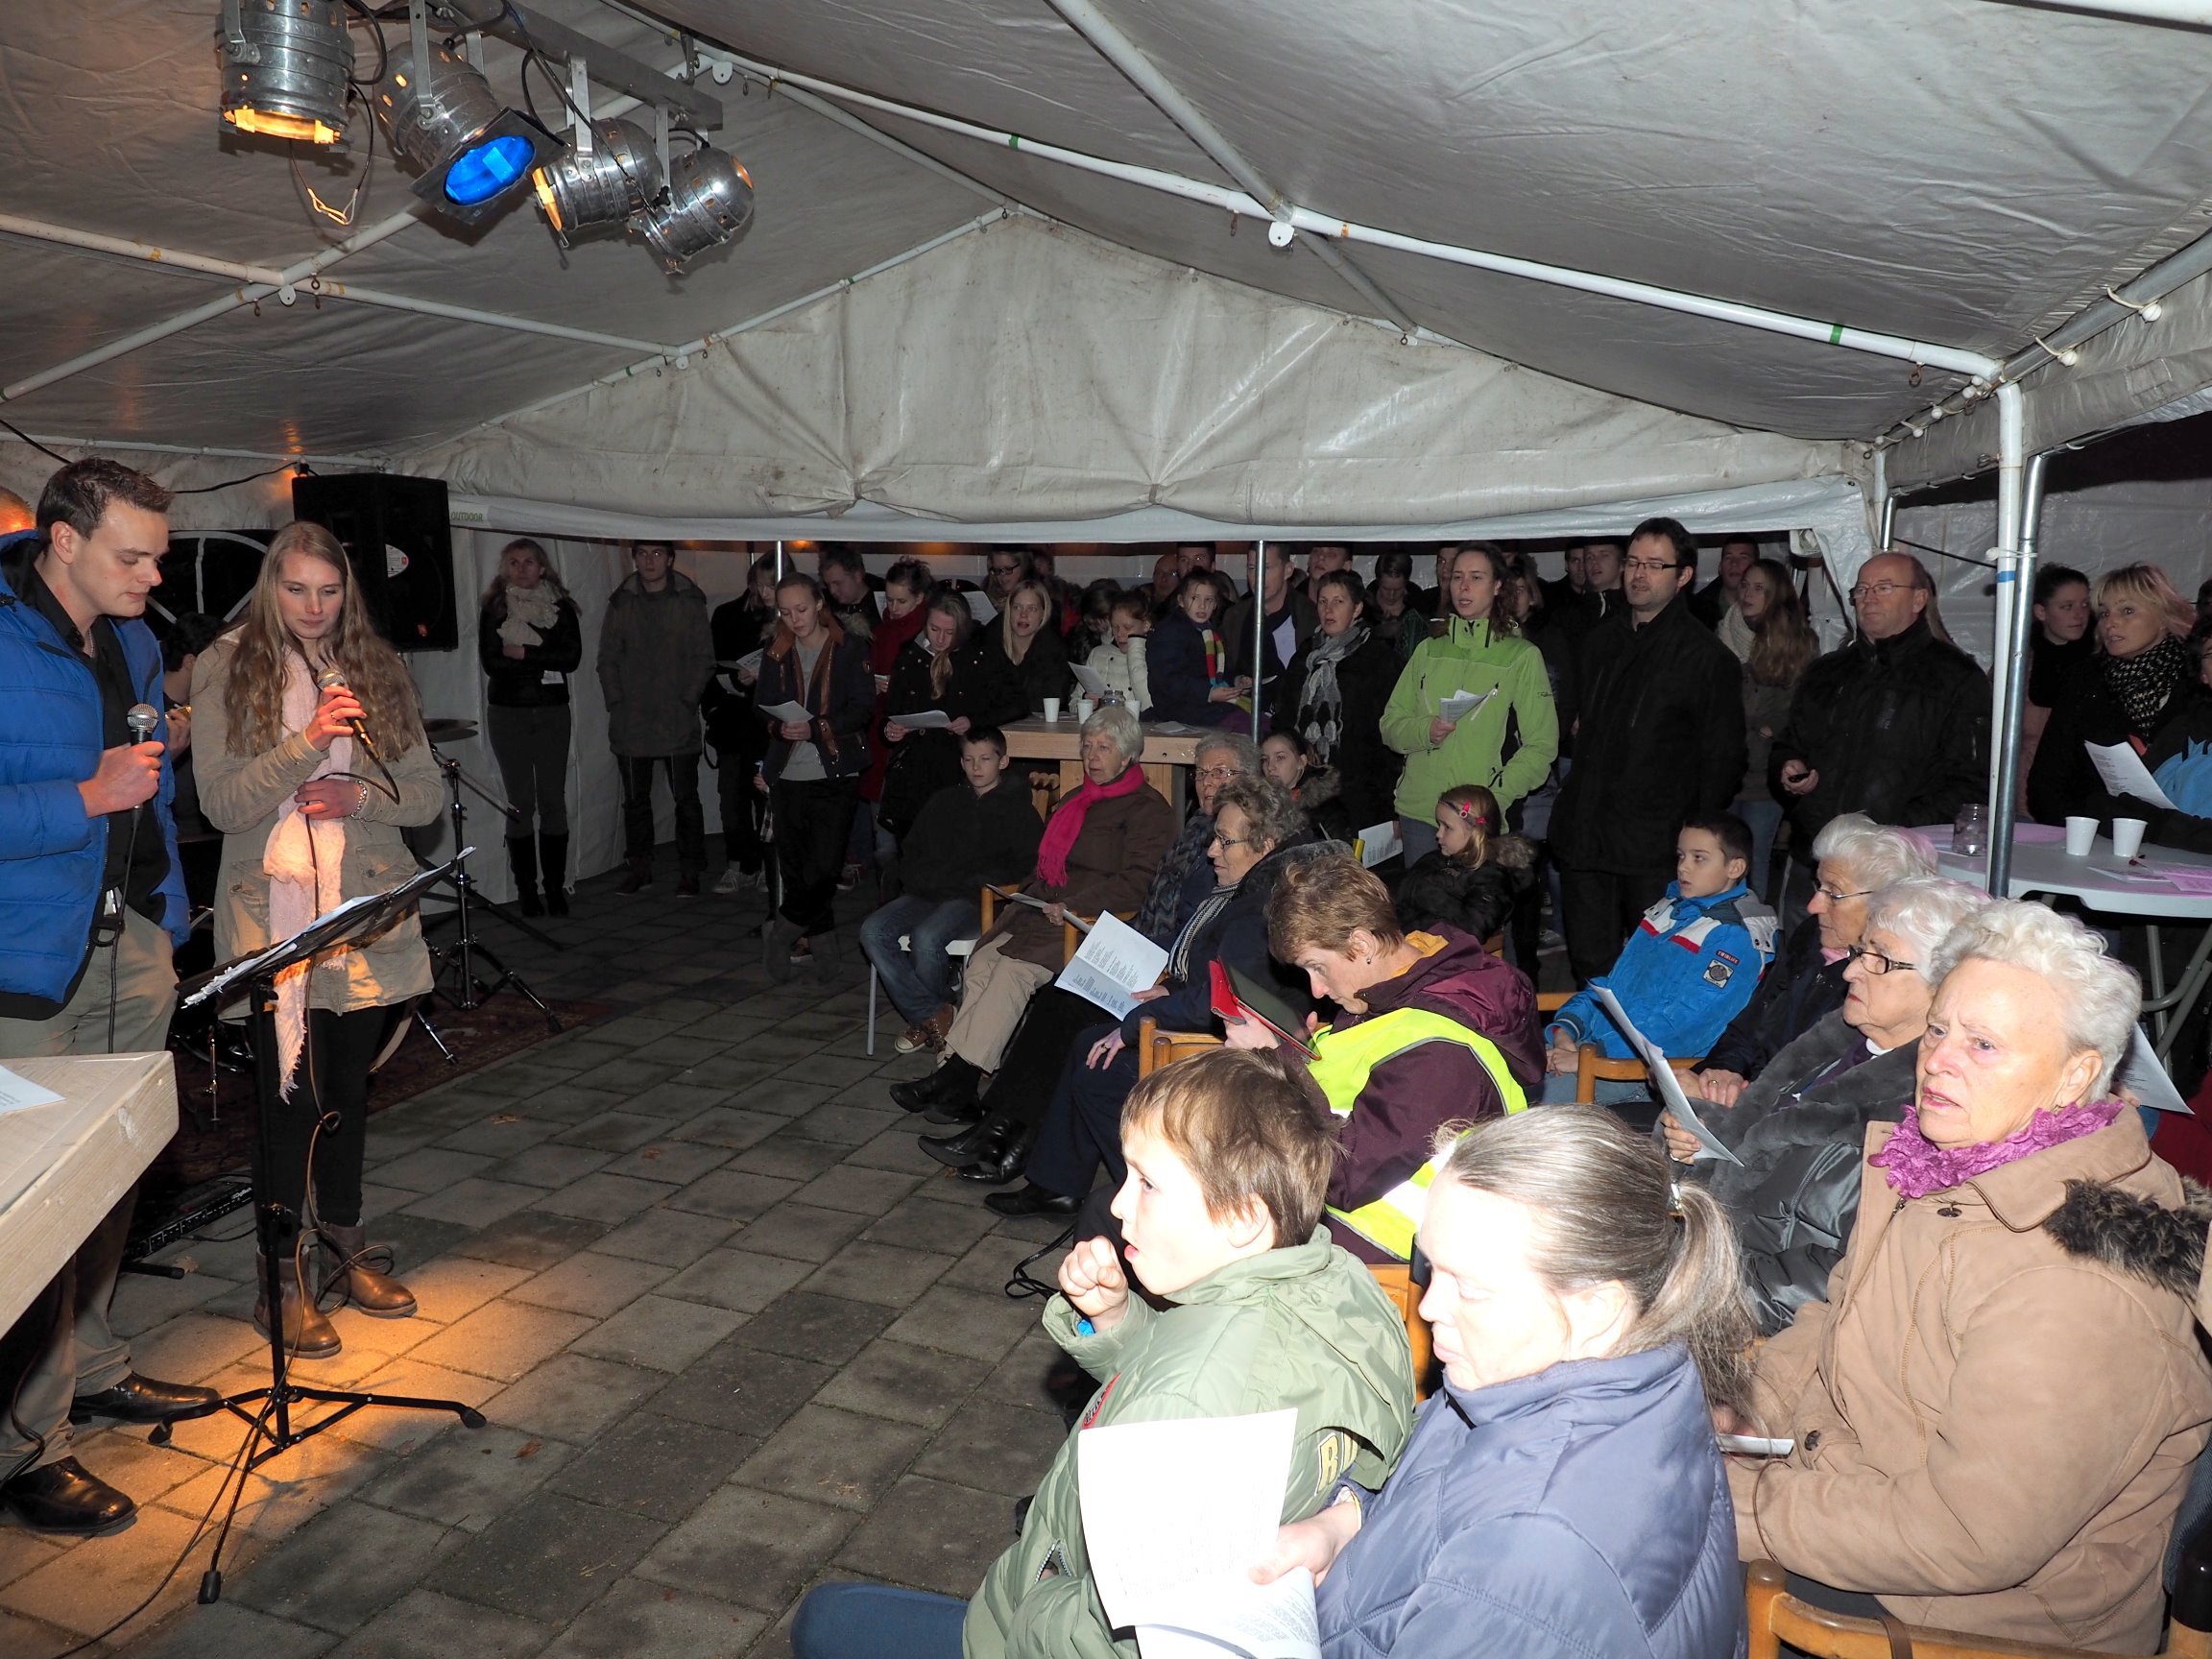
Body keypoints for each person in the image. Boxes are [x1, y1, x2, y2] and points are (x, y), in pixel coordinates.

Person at [794, 1047, 1416, 1659]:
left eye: (1147, 1184)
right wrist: (1115, 1320)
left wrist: (1038, 1590)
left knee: (823, 1620)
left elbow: (1106, 1641)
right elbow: (1204, 1372)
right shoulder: (1342, 1283)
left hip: (1034, 1636)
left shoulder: (1184, 1405)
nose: (1118, 1205)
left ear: (1242, 1219)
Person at [1732, 901, 2212, 1651]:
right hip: (1853, 1504)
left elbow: (1966, 1534)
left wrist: (1737, 1504)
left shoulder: (2082, 1280)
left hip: (1963, 1620)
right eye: (1938, 1030)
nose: (1938, 1061)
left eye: (1984, 1044)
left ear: (2076, 1076)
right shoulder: (1942, 1168)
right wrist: (1746, 1417)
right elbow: (1833, 1320)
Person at [1258, 1106, 1753, 1659]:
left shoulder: (1534, 1553)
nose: (1429, 1306)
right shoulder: (1575, 1377)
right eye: (1429, 1266)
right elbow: (1431, 1483)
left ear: (1596, 1309)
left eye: (1469, 1288)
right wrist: (1345, 1520)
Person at [0, 460, 217, 1534]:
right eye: (133, 557)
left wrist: (163, 917)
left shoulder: (130, 640)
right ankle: (26, 1448)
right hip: (29, 960)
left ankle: (91, 1369)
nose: (152, 576)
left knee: (112, 1177)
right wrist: (83, 795)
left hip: (128, 941)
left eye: (158, 557)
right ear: (64, 540)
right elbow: (97, 788)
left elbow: (154, 787)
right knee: (36, 1207)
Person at [194, 519, 443, 1358]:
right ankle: (278, 1276)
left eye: (329, 591)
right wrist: (306, 746)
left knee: (345, 1094)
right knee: (289, 1101)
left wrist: (358, 796)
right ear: (272, 587)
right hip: (273, 912)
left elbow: (423, 794)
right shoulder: (227, 665)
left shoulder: (376, 665)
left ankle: (343, 1241)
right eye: (297, 589)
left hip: (363, 909)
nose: (313, 607)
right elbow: (222, 803)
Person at [920, 733, 1263, 1178]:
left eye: (1221, 772)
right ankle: (1001, 1128)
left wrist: (1157, 967)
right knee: (1059, 996)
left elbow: (1201, 933)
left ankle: (1012, 1139)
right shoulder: (1199, 830)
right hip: (1152, 952)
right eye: (1200, 773)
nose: (1207, 782)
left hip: (1171, 973)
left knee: (1069, 1013)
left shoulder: (1236, 848)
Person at [1665, 876, 1990, 1334]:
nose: (1851, 971)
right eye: (1860, 952)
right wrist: (1697, 1133)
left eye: (1879, 960)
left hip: (1752, 1321)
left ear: (1945, 989)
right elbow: (1758, 1152)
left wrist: (1685, 1287)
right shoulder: (1832, 1045)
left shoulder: (1927, 1114)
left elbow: (1839, 1277)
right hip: (1704, 1257)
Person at [980, 778, 1315, 1210]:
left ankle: (1160, 1202)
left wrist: (1134, 1025)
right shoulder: (1249, 891)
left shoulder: (1256, 908)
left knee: (1099, 1065)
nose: (1212, 851)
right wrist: (1168, 988)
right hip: (1206, 1017)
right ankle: (1056, 1180)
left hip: (1225, 1048)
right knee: (1080, 1029)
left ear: (1264, 845)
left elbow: (1222, 999)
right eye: (1215, 838)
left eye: (1225, 841)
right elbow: (1214, 974)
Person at [1225, 854, 1544, 1263]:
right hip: (1333, 1223)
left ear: (1362, 945)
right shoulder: (1395, 994)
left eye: (1317, 968)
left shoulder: (1441, 1054)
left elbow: (1344, 1174)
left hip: (1384, 1254)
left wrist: (1274, 1061)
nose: (1316, 990)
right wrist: (1298, 1049)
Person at [888, 705, 1176, 1118]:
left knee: (1013, 971)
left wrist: (1073, 905)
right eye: (1087, 746)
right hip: (1043, 910)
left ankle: (954, 1078)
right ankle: (957, 1082)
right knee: (983, 961)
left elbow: (1139, 881)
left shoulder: (1148, 809)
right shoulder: (1077, 799)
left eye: (1104, 748)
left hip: (1089, 923)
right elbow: (1044, 865)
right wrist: (1025, 895)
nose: (1092, 756)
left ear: (1128, 755)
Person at [1551, 517, 1745, 984]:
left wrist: (1692, 844)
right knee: (1590, 964)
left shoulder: (1705, 658)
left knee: (1653, 971)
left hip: (1654, 844)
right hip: (1588, 834)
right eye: (1634, 562)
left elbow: (1722, 759)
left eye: (1655, 565)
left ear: (1683, 576)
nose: (1639, 574)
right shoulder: (1600, 641)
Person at [1693, 813, 1937, 1108]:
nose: (1812, 906)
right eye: (1818, 887)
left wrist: (1739, 1100)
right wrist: (1723, 1071)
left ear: (1887, 903)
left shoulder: (1882, 985)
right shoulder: (1812, 936)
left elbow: (1828, 1096)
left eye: (1834, 894)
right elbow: (1748, 1025)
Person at [1769, 550, 1988, 861]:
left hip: (1898, 860)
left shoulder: (1956, 678)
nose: (1869, 598)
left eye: (1884, 588)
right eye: (1861, 590)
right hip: (1818, 852)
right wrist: (1789, 769)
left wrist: (1893, 831)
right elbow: (1791, 742)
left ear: (1918, 599)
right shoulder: (1827, 671)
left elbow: (1969, 782)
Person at [1542, 813, 1777, 1102]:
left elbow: (1684, 1028)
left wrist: (1594, 1056)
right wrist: (1567, 1030)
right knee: (1506, 1074)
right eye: (1681, 855)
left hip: (1638, 1070)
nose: (1683, 867)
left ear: (1735, 867)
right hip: (1591, 1049)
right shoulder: (1669, 909)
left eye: (1699, 858)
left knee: (1530, 1109)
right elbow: (1612, 987)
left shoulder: (1735, 936)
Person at [861, 728, 1042, 1055]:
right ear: (961, 762)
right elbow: (912, 849)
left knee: (927, 938)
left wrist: (976, 881)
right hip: (927, 891)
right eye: (969, 760)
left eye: (985, 759)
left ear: (1003, 762)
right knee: (873, 931)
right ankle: (934, 1013)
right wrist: (919, 878)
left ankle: (927, 1019)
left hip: (975, 897)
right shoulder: (944, 801)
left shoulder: (1018, 811)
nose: (976, 767)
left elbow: (1026, 866)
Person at [1380, 543, 1557, 863]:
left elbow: (1541, 746)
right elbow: (1390, 724)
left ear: (1497, 585)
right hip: (1420, 813)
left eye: (1476, 577)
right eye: (1457, 576)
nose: (1463, 586)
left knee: (1473, 896)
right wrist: (1425, 731)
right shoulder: (1428, 650)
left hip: (1476, 819)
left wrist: (1492, 798)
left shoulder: (1521, 656)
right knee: (1421, 896)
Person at [756, 573, 874, 977]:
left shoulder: (848, 647)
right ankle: (824, 948)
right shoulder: (776, 650)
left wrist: (817, 727)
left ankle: (780, 933)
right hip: (788, 772)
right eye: (785, 612)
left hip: (835, 770)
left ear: (820, 603)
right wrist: (779, 726)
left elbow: (862, 708)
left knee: (825, 868)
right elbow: (761, 706)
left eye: (801, 609)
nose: (794, 619)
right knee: (797, 870)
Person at [2028, 562, 2197, 826]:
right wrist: (2085, 828)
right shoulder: (2086, 679)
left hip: (2182, 835)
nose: (2110, 623)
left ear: (2164, 616)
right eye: (2105, 613)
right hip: (2094, 831)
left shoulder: (2196, 680)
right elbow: (2048, 779)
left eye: (2127, 611)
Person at [598, 540, 712, 897]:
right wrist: (617, 702)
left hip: (675, 716)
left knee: (685, 799)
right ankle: (640, 867)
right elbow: (608, 658)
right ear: (634, 558)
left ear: (670, 559)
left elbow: (703, 657)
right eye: (642, 554)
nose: (649, 561)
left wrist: (687, 700)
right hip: (633, 719)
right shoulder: (622, 602)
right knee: (635, 800)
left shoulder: (688, 601)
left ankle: (690, 868)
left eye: (657, 553)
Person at [477, 537, 581, 917]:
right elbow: (492, 663)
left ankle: (554, 888)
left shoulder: (561, 607)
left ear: (542, 568)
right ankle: (526, 890)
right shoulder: (496, 608)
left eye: (529, 562)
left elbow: (571, 658)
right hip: (509, 713)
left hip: (552, 712)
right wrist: (541, 660)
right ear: (505, 568)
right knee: (520, 802)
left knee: (553, 800)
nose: (522, 569)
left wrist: (525, 653)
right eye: (514, 562)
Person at [876, 589, 1026, 840]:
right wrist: (889, 730)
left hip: (958, 767)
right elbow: (892, 710)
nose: (940, 639)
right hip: (914, 772)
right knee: (912, 846)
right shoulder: (911, 654)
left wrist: (974, 721)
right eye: (934, 629)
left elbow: (1016, 702)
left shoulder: (980, 654)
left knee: (955, 843)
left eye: (949, 632)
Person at [1272, 568, 1404, 832]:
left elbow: (1387, 730)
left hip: (1361, 791)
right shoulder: (1305, 655)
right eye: (1323, 601)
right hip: (1306, 786)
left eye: (1338, 601)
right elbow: (1284, 719)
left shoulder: (1379, 659)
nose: (1328, 609)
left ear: (1357, 609)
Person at [1732, 557, 1817, 899]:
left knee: (1754, 859)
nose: (1748, 594)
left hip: (1766, 773)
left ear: (1777, 595)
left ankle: (1757, 928)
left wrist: (1770, 728)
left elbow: (1795, 710)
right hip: (1730, 767)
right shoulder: (1730, 632)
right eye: (1745, 586)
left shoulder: (1794, 644)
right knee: (1723, 857)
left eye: (1759, 588)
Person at [704, 553, 780, 894]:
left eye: (771, 586)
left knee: (766, 796)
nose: (764, 593)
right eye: (759, 585)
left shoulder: (787, 618)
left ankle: (767, 864)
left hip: (769, 725)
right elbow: (713, 667)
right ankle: (738, 863)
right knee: (732, 797)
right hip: (734, 719)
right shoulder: (727, 615)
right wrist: (735, 685)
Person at [1392, 784, 1535, 945]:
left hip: (1444, 953)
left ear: (1475, 831)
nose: (1438, 834)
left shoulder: (1491, 878)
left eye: (1447, 827)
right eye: (1439, 825)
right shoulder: (1435, 859)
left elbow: (1472, 929)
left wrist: (1426, 893)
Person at [2021, 563, 2093, 794]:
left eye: (2085, 604)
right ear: (2041, 612)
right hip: (2025, 791)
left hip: (2085, 793)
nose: (2079, 614)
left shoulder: (2101, 662)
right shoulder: (2019, 664)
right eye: (2067, 606)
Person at [1146, 569, 1248, 727]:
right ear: (1181, 601)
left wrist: (1237, 681)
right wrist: (1208, 692)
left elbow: (1219, 670)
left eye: (1209, 600)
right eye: (1195, 598)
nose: (1202, 605)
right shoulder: (1169, 632)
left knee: (1259, 718)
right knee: (1246, 724)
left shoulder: (1211, 633)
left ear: (1215, 605)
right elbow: (1167, 679)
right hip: (1178, 710)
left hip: (1206, 706)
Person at [1225, 545, 1318, 713]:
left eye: (1266, 568)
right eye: (1252, 568)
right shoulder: (1235, 617)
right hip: (1243, 714)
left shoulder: (1309, 617)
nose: (1258, 577)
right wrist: (1236, 680)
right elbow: (1221, 666)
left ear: (1288, 570)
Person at [981, 577, 1072, 715]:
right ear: (1009, 611)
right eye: (1017, 607)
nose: (1023, 615)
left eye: (1032, 609)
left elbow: (1045, 702)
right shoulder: (992, 644)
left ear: (1043, 614)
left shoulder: (1053, 651)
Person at [1261, 730, 1353, 843]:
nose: (1270, 767)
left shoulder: (1326, 809)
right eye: (1265, 759)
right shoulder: (1258, 805)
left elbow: (1341, 852)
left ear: (1301, 761)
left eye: (1280, 757)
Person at [1083, 589, 1152, 714]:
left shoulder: (1156, 658)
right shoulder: (1098, 654)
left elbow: (1151, 707)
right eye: (1115, 627)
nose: (1120, 633)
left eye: (1127, 627)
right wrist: (1087, 703)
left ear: (1146, 625)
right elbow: (1074, 704)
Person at [1551, 537, 1626, 653]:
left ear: (1622, 564)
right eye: (1589, 557)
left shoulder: (1634, 612)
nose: (1594, 562)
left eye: (1604, 555)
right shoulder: (1566, 616)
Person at [1368, 549, 1429, 661]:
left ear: (1406, 583)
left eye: (1398, 589)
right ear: (1378, 581)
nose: (1391, 595)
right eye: (1386, 589)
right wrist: (1378, 631)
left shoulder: (1420, 608)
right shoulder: (1364, 607)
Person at [1689, 534, 1756, 633]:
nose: (1734, 563)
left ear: (1756, 566)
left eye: (1743, 558)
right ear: (1720, 567)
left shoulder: (1771, 606)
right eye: (1728, 557)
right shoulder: (1696, 610)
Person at [818, 545, 881, 640]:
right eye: (828, 585)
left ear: (857, 576)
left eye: (838, 583)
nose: (832, 591)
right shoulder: (825, 603)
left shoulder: (883, 604)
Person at [981, 546, 1033, 612]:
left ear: (1023, 566)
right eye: (997, 570)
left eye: (1008, 569)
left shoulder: (1034, 595)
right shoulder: (986, 592)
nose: (1002, 575)